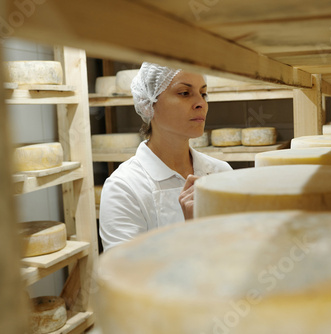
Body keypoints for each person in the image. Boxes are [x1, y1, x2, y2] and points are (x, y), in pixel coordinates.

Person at [99, 62, 232, 251]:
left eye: (203, 93)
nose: (201, 103)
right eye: (184, 93)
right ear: (149, 104)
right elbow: (126, 275)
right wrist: (195, 231)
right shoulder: (124, 188)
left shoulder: (221, 172)